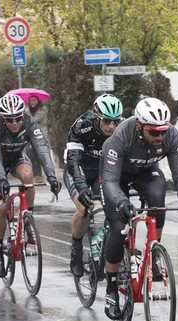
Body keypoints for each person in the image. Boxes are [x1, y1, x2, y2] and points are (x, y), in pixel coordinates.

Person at [100, 97, 178, 320]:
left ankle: (154, 251)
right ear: (139, 126)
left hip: (146, 171)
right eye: (154, 133)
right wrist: (121, 202)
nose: (160, 137)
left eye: (163, 131)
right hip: (115, 177)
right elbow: (109, 181)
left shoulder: (171, 136)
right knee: (118, 229)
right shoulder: (122, 135)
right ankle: (111, 287)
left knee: (158, 200)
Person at [0, 93, 62, 278]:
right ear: (2, 118)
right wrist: (2, 179)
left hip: (16, 157)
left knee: (28, 176)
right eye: (9, 119)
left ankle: (28, 218)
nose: (14, 122)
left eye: (17, 118)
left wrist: (51, 176)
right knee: (2, 208)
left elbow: (41, 148)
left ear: (22, 115)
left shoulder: (29, 122)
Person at [64, 93, 123, 277]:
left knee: (115, 208)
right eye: (107, 121)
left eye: (115, 121)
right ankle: (76, 249)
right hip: (78, 169)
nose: (111, 126)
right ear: (97, 117)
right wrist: (81, 187)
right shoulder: (82, 126)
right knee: (85, 208)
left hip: (101, 172)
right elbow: (73, 161)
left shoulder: (121, 130)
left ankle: (106, 248)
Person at [25, 95, 49, 183]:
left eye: (34, 100)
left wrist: (27, 112)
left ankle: (43, 174)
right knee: (33, 156)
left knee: (39, 156)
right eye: (31, 100)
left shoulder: (41, 110)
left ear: (38, 101)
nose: (33, 102)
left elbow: (33, 120)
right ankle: (37, 175)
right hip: (33, 136)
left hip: (40, 136)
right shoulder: (31, 110)